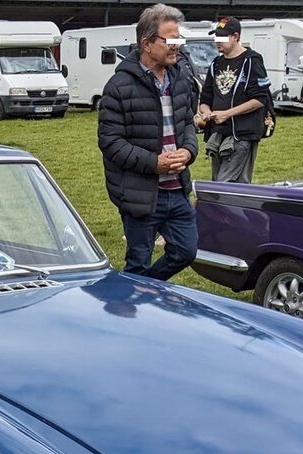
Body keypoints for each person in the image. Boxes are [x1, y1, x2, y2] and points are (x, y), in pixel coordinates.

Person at [97, 4, 198, 280]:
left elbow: (187, 123)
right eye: (170, 40)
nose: (176, 46)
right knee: (138, 263)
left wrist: (188, 151)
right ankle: (131, 309)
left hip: (177, 190)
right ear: (146, 43)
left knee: (186, 251)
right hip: (139, 194)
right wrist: (154, 163)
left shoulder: (180, 79)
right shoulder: (118, 87)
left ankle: (144, 289)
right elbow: (110, 142)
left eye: (179, 39)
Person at [196, 17, 270, 183]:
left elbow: (260, 99)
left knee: (227, 186)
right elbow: (205, 98)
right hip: (218, 135)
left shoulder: (252, 61)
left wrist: (227, 114)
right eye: (216, 37)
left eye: (222, 37)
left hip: (242, 135)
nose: (217, 42)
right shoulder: (215, 63)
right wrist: (206, 113)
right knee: (218, 182)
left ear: (235, 36)